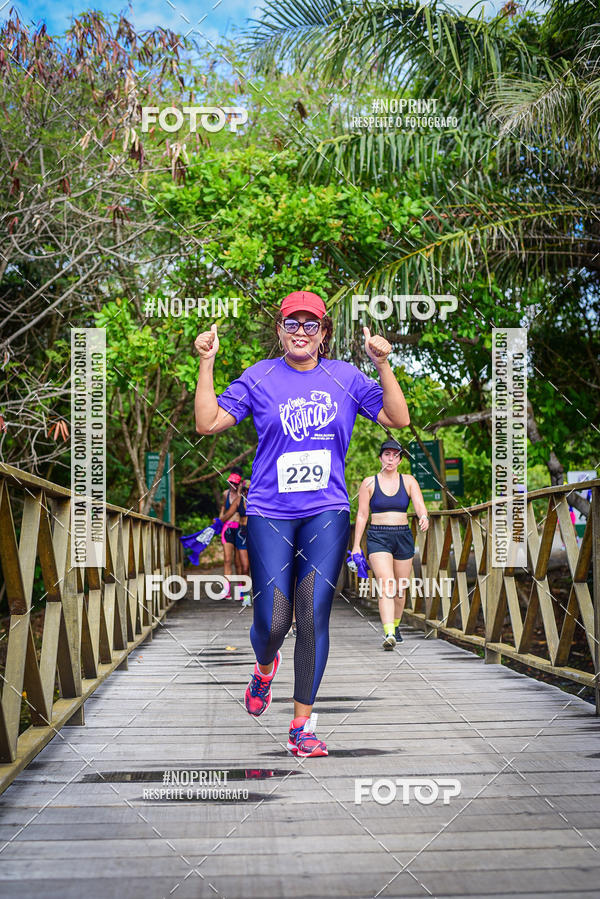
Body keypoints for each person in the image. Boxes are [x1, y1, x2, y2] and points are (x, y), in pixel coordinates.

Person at [194, 290, 410, 756]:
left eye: (311, 325)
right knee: (274, 619)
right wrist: (207, 362)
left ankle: (301, 726)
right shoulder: (260, 377)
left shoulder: (346, 377)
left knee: (311, 614)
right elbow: (208, 422)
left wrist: (383, 364)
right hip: (270, 512)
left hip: (326, 511)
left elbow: (399, 417)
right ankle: (264, 667)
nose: (300, 332)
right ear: (280, 330)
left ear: (324, 334)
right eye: (292, 323)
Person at [352, 439, 429, 649]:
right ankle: (388, 633)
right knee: (386, 583)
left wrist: (424, 517)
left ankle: (396, 625)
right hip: (378, 536)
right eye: (387, 454)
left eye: (395, 455)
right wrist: (357, 545)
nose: (390, 459)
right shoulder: (369, 483)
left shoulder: (409, 481)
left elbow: (421, 506)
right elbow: (361, 515)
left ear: (400, 460)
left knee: (400, 587)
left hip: (403, 535)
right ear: (380, 457)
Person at [218, 468, 250, 600]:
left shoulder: (258, 499)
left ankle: (245, 592)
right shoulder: (236, 499)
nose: (246, 492)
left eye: (236, 484)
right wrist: (215, 525)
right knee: (233, 561)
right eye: (245, 489)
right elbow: (226, 513)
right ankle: (235, 592)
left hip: (252, 533)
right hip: (236, 530)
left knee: (244, 564)